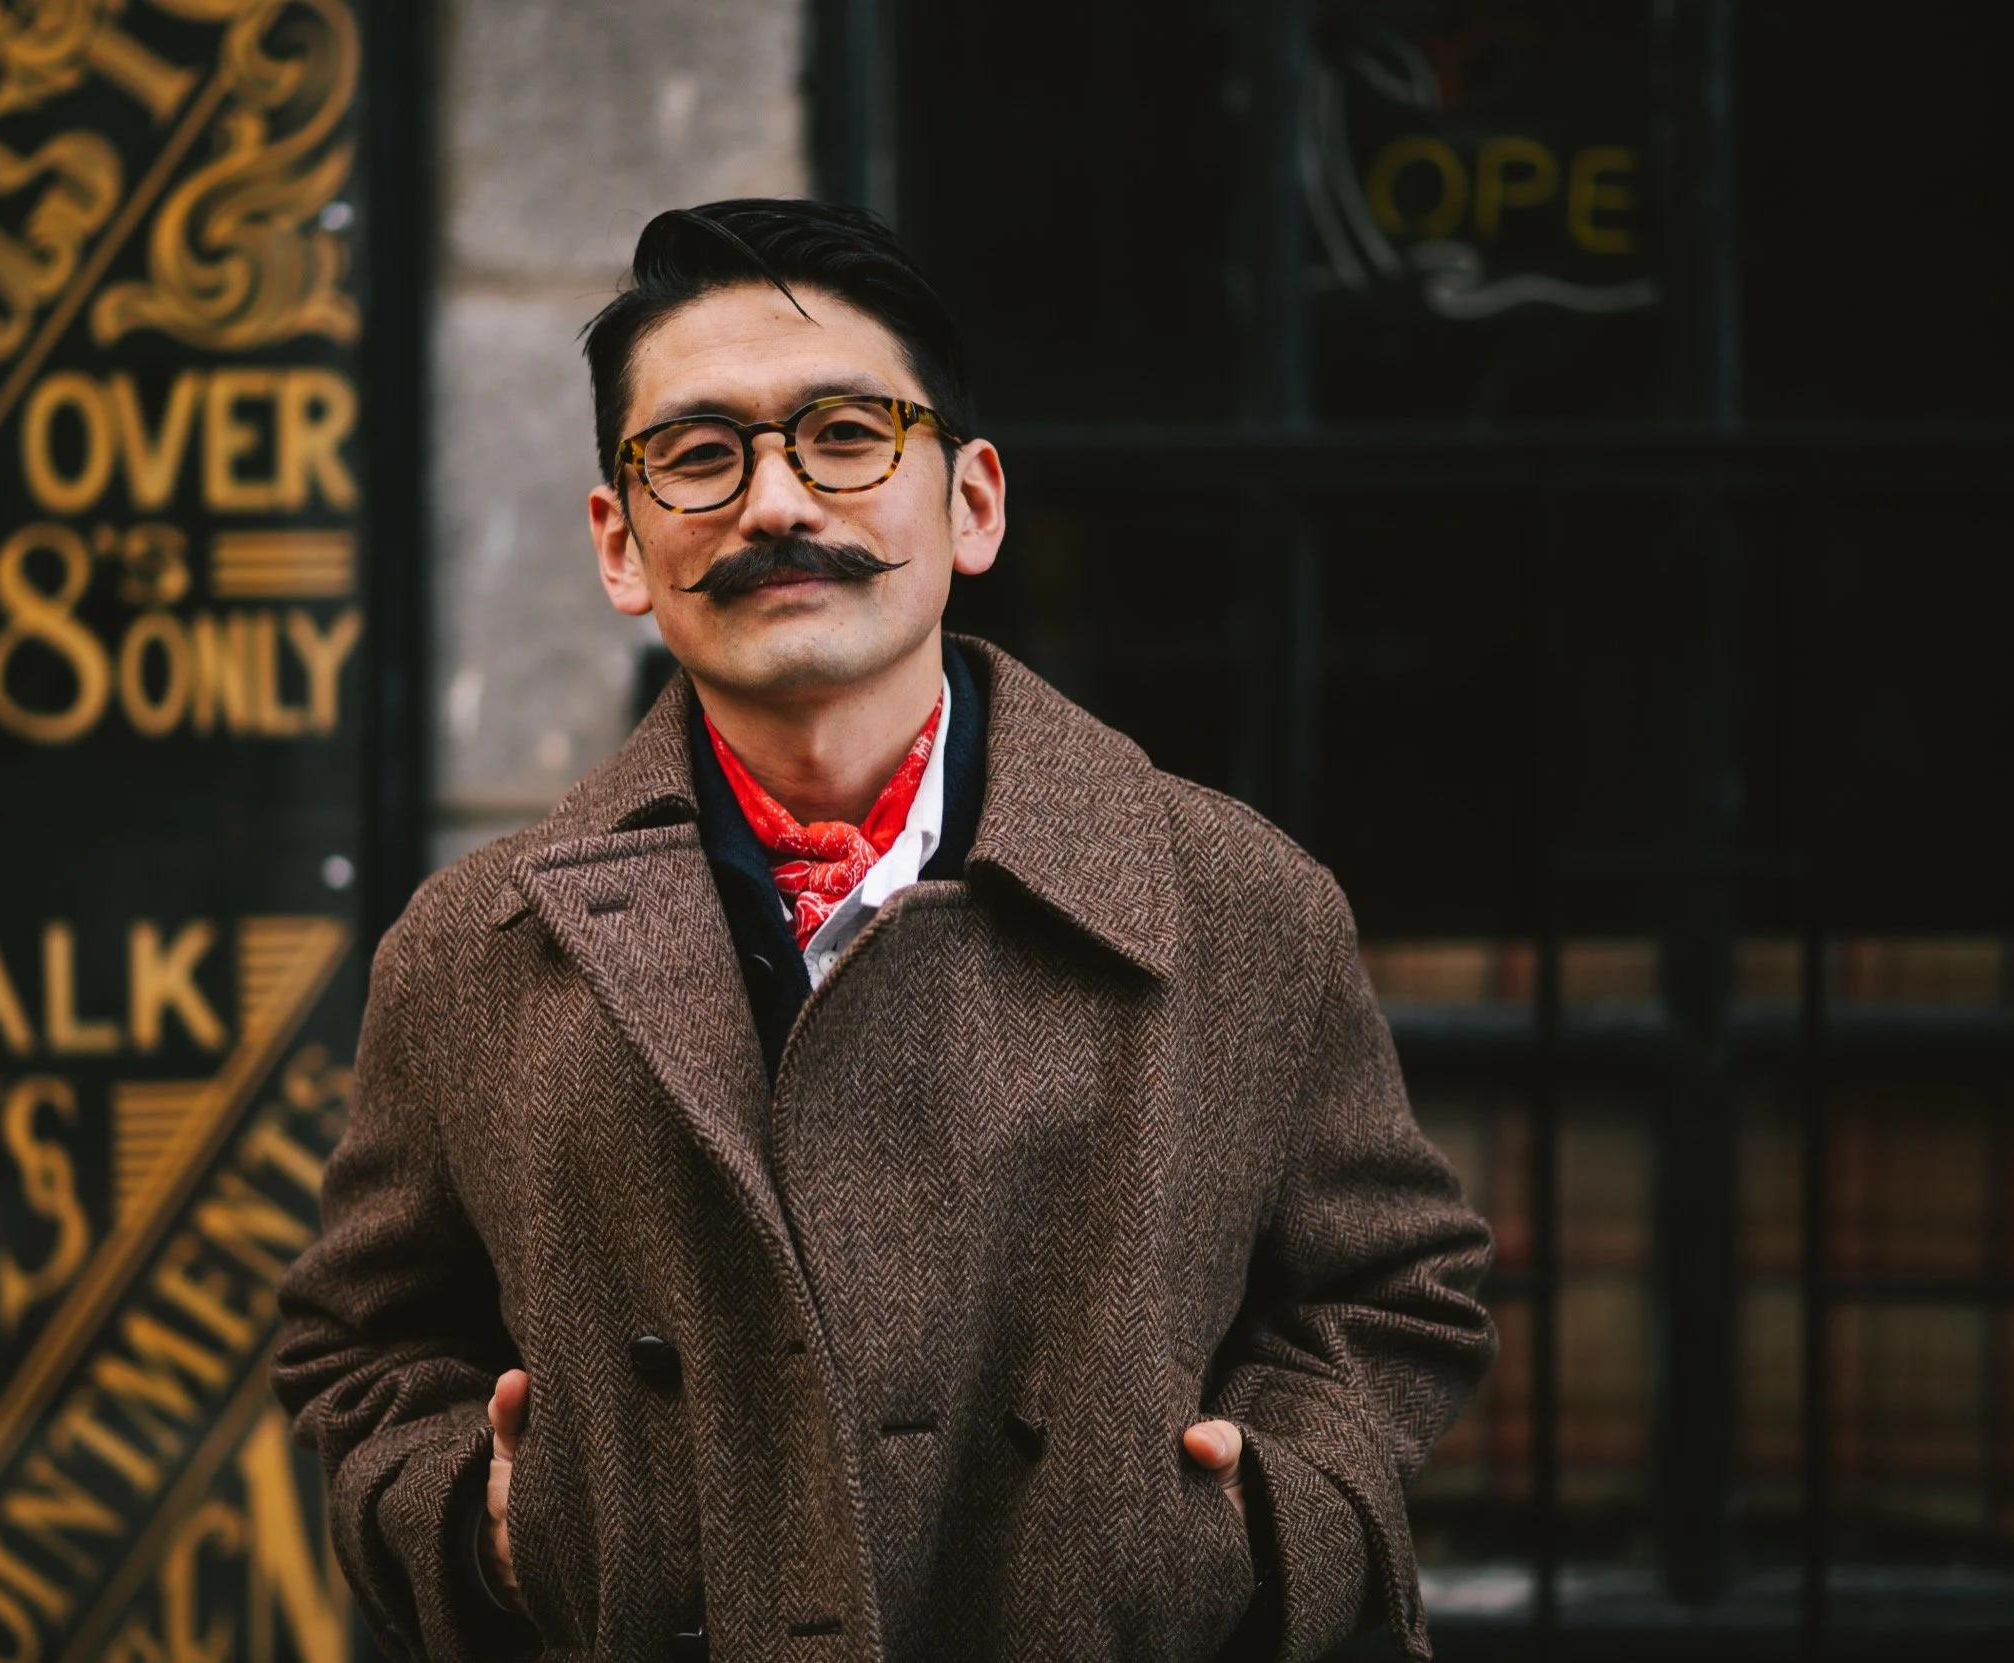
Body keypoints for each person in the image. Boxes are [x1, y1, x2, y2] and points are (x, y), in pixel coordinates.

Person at [274, 198, 1495, 1663]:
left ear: (971, 501)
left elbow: (1395, 1286)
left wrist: (1252, 1530)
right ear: (621, 542)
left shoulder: (1234, 900)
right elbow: (361, 1347)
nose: (776, 504)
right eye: (700, 455)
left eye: (847, 434)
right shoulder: (476, 948)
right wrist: (485, 1523)